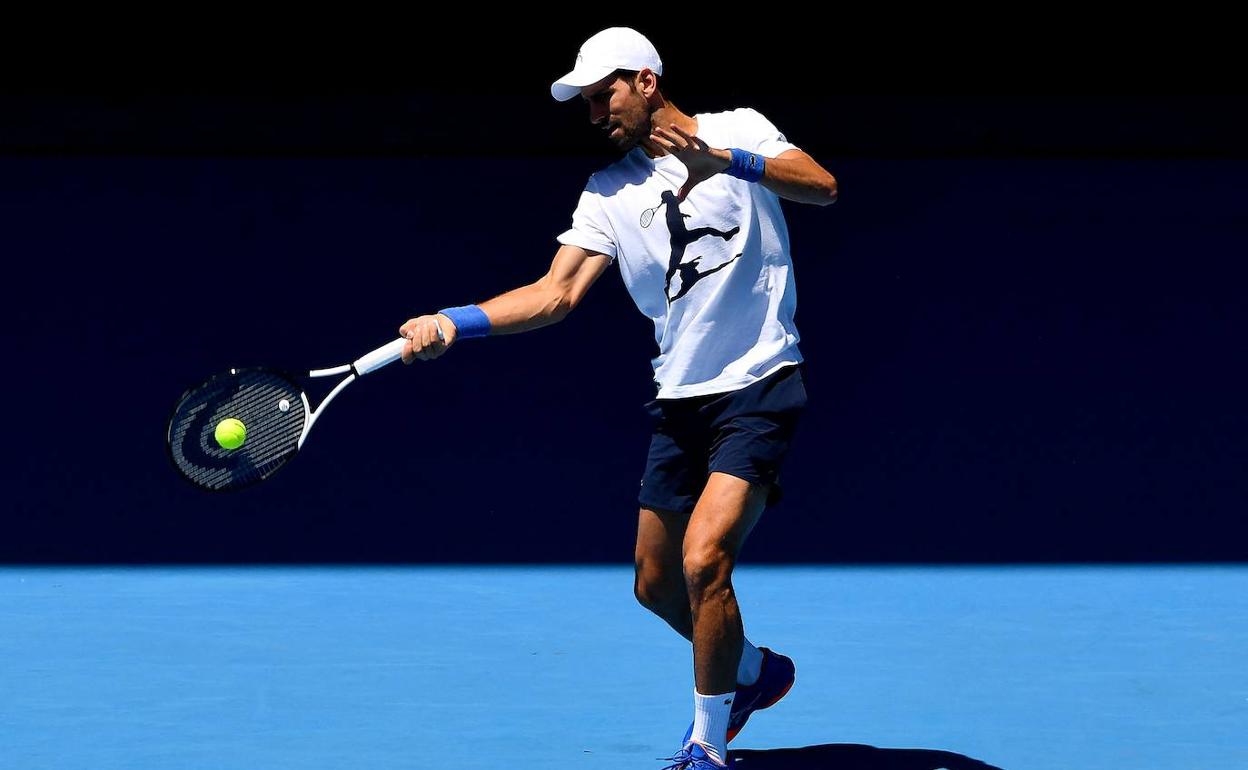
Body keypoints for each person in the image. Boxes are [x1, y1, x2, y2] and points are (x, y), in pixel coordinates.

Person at [398, 27, 837, 770]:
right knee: (655, 583)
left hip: (760, 383)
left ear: (645, 81)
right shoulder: (608, 190)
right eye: (587, 103)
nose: (596, 113)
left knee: (705, 561)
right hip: (680, 400)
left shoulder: (739, 127)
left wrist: (729, 160)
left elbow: (821, 186)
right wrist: (454, 321)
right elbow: (556, 292)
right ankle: (755, 672)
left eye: (604, 96)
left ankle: (706, 743)